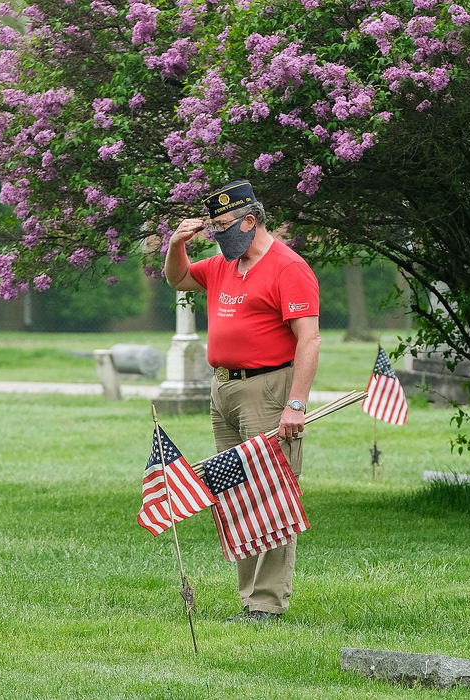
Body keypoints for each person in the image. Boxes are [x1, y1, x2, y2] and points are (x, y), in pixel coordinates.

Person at [164, 179, 320, 621]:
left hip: (269, 390)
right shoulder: (221, 265)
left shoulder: (289, 268)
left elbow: (309, 340)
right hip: (225, 390)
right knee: (236, 495)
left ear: (251, 221)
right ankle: (249, 598)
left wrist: (296, 404)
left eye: (224, 225)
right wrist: (177, 245)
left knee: (270, 493)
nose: (217, 235)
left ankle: (267, 605)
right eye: (213, 228)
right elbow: (177, 278)